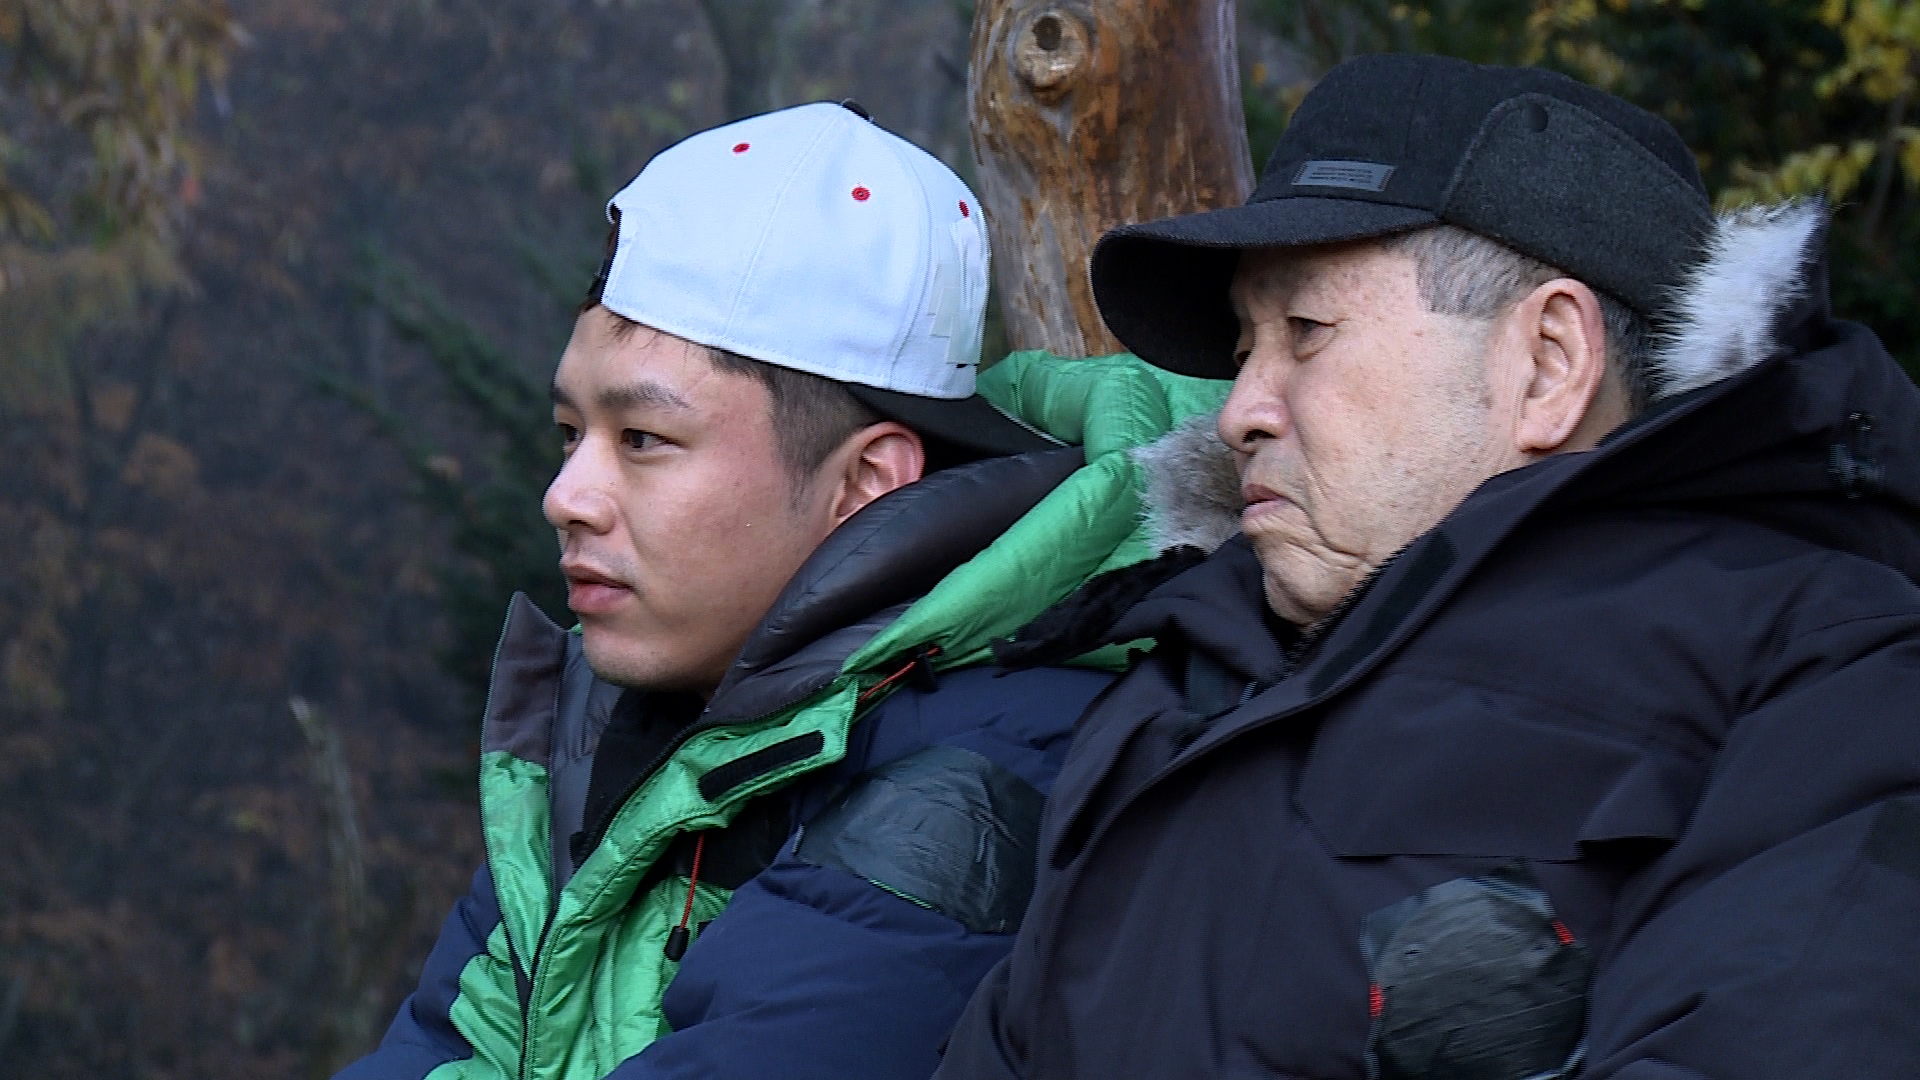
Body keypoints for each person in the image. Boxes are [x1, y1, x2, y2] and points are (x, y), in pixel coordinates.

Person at [935, 52, 1920, 1080]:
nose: (1239, 413)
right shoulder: (1176, 690)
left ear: (1548, 364)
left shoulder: (1830, 681)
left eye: (1306, 331)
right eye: (1242, 350)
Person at [336, 102, 1227, 1080]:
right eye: (569, 434)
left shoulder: (995, 760)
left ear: (865, 483)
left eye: (643, 440)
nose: (565, 497)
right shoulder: (626, 730)